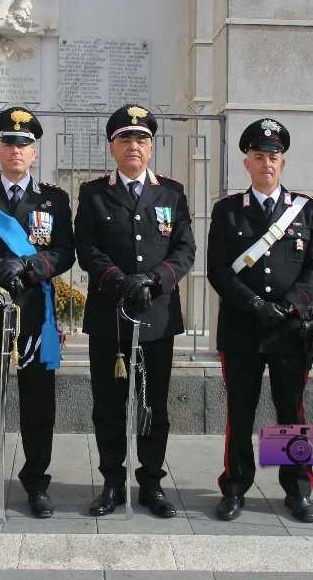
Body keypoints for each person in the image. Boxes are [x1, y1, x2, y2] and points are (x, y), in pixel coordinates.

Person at [206, 118, 313, 523]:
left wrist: (291, 305)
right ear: (247, 163)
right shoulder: (227, 211)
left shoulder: (306, 210)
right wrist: (255, 304)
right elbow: (218, 270)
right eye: (259, 156)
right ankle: (235, 487)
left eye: (273, 157)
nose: (266, 164)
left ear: (283, 162)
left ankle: (298, 489)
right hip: (241, 327)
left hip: (290, 329)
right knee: (240, 412)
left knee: (292, 410)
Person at [0, 106, 74, 519]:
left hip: (36, 312)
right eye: (9, 143)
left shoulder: (53, 200)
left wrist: (29, 266)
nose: (16, 150)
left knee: (38, 403)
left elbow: (65, 251)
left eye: (24, 144)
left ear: (34, 152)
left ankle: (36, 484)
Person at [74, 104, 196, 518]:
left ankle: (151, 484)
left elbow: (184, 249)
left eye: (142, 138)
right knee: (108, 406)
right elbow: (86, 247)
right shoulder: (94, 193)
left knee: (153, 405)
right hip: (109, 317)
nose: (134, 145)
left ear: (151, 147)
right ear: (112, 146)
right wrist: (119, 280)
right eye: (125, 138)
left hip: (157, 317)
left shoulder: (172, 193)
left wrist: (155, 280)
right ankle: (111, 482)